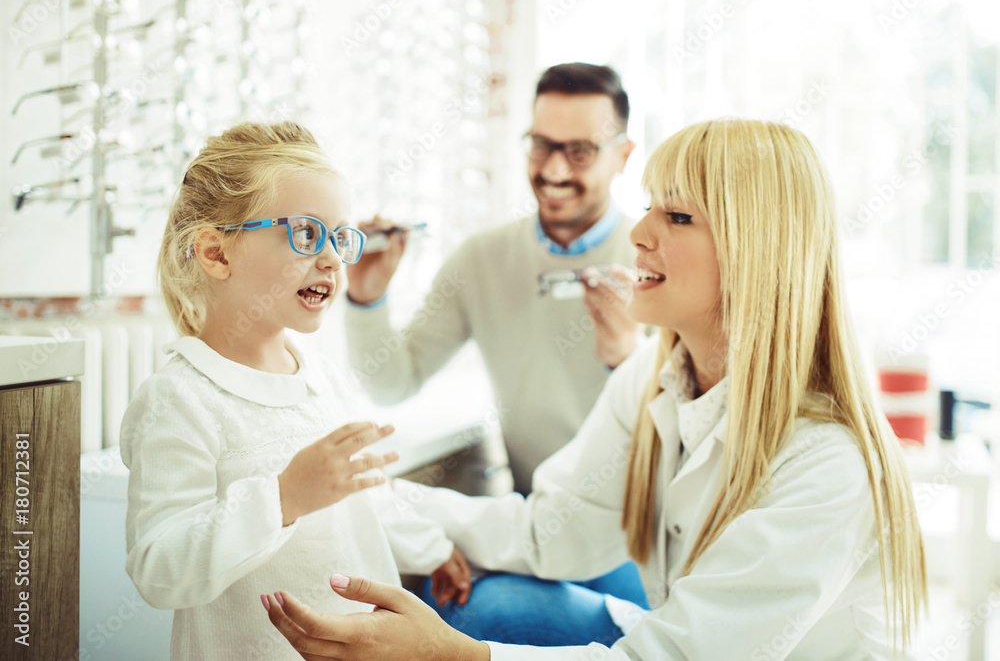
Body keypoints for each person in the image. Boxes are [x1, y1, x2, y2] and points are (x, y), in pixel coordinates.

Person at [263, 119, 928, 659]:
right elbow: (553, 531)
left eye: (678, 217)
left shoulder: (829, 463)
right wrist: (374, 499)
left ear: (755, 249)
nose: (638, 235)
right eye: (647, 209)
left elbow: (680, 658)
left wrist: (457, 657)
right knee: (479, 604)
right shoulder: (655, 373)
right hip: (673, 629)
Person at [120, 121, 473, 661]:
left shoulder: (321, 377)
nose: (332, 258)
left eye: (339, 236)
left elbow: (364, 493)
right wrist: (282, 499)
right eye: (307, 234)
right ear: (216, 253)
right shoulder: (179, 399)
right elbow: (160, 571)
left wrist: (433, 548)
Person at [345, 62, 640, 496]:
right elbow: (391, 383)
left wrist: (628, 361)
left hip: (640, 531)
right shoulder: (481, 259)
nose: (555, 171)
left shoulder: (654, 258)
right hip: (534, 520)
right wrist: (366, 299)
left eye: (580, 151)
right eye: (542, 146)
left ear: (623, 157)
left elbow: (693, 432)